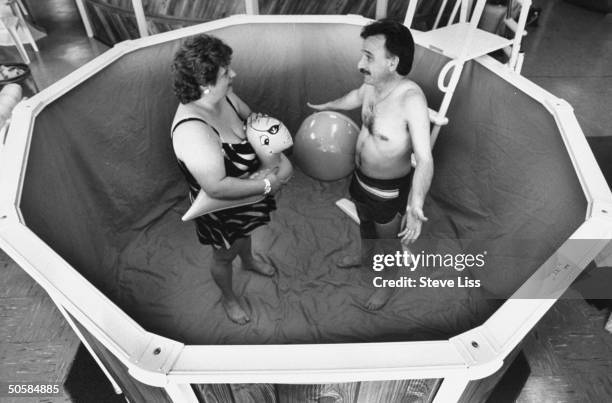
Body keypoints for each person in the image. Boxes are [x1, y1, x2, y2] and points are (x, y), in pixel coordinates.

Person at [308, 19, 433, 310]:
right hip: (359, 179)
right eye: (362, 54)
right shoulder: (372, 85)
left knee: (387, 244)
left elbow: (425, 159)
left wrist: (416, 204)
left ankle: (389, 282)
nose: (359, 64)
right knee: (364, 223)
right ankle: (365, 256)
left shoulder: (411, 99)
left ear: (392, 62)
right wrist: (329, 106)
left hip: (388, 190)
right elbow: (354, 97)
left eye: (368, 57)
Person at [171, 34, 291, 324]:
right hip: (221, 210)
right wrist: (268, 184)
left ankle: (248, 261)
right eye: (226, 72)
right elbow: (217, 187)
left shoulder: (223, 96)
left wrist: (275, 155)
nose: (233, 74)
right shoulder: (192, 130)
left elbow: (253, 123)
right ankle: (229, 297)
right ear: (204, 84)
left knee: (245, 235)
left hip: (249, 194)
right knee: (224, 255)